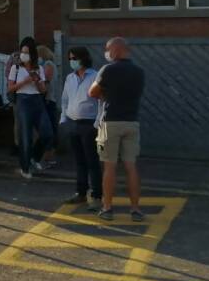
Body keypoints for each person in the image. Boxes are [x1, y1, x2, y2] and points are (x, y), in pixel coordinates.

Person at [89, 37, 146, 221]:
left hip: (110, 122)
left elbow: (92, 92)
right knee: (131, 166)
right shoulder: (139, 72)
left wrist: (106, 92)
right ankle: (135, 209)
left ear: (115, 50)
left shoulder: (108, 70)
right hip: (132, 122)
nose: (107, 53)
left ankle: (107, 207)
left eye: (108, 49)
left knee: (109, 166)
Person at [60, 46, 101, 206]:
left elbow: (100, 101)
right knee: (79, 161)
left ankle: (97, 195)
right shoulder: (70, 78)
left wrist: (97, 123)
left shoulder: (95, 76)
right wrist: (63, 118)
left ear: (83, 58)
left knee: (92, 161)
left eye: (74, 58)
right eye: (70, 59)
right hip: (73, 122)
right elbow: (65, 99)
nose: (72, 62)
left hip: (89, 123)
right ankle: (81, 192)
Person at [8, 37, 53, 179]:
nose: (24, 55)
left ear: (32, 53)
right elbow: (10, 88)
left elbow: (43, 90)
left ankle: (35, 156)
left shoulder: (38, 68)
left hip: (37, 100)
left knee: (47, 133)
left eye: (27, 52)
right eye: (22, 52)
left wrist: (38, 81)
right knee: (25, 136)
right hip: (23, 100)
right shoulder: (15, 68)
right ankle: (25, 167)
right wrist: (25, 81)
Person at [37, 46, 60, 169]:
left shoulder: (48, 64)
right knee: (50, 129)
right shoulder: (50, 64)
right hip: (50, 100)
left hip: (48, 100)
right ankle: (49, 157)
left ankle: (47, 157)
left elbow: (45, 80)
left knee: (48, 129)